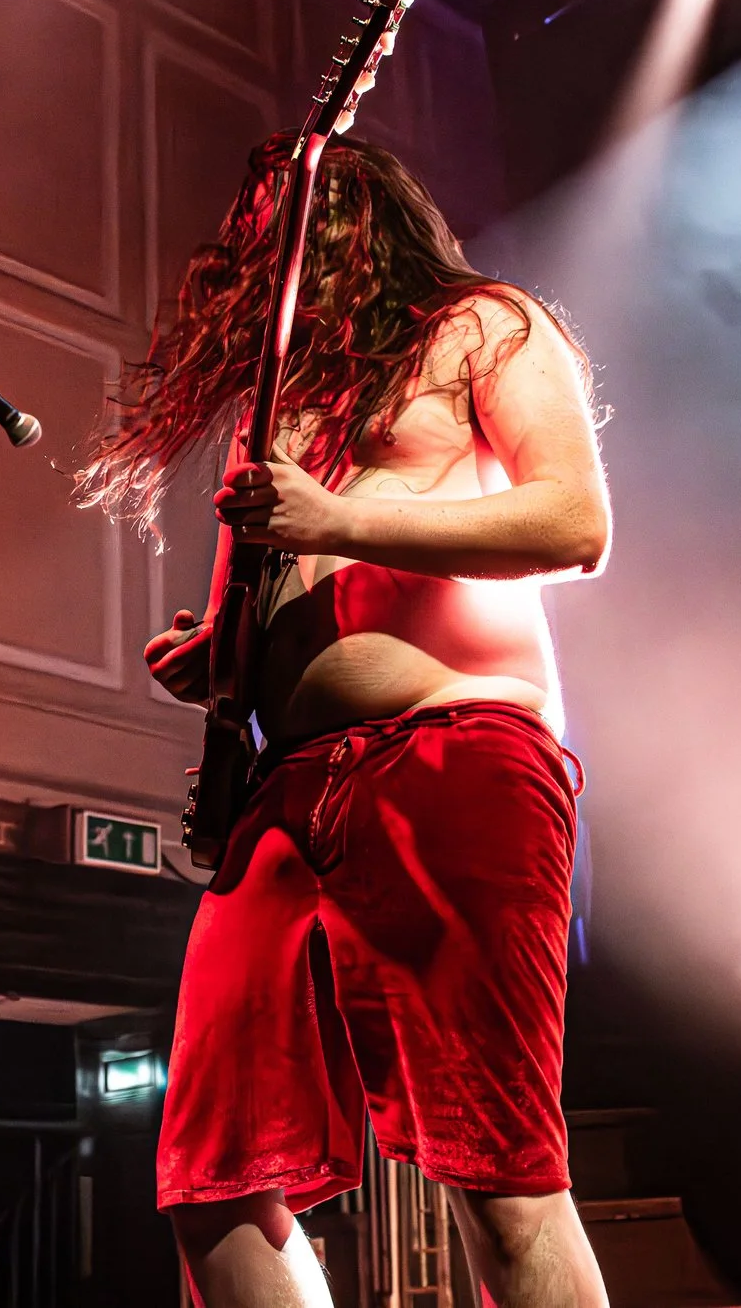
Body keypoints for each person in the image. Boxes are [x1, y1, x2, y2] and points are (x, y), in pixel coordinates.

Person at [78, 134, 613, 1308]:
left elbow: (573, 522)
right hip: (287, 788)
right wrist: (218, 663)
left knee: (499, 1165)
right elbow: (281, 599)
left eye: (293, 217)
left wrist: (333, 516)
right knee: (212, 1176)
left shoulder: (483, 324)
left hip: (454, 750)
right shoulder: (276, 412)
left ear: (360, 216)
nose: (268, 248)